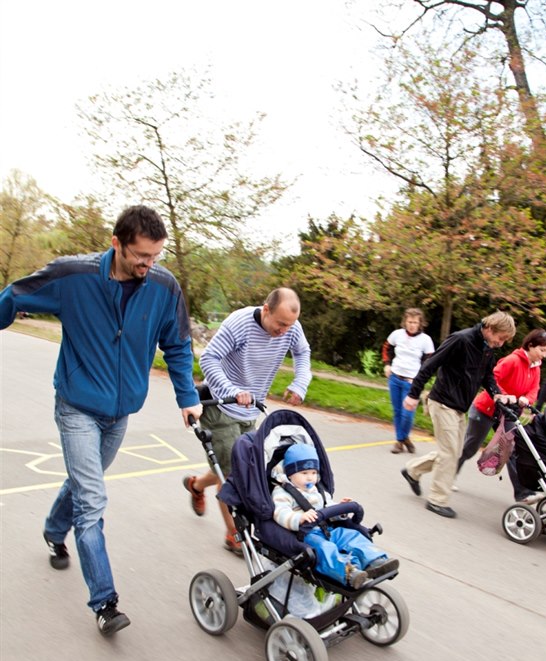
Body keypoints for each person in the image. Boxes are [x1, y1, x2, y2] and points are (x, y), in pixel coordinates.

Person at [0, 205, 203, 636]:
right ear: (116, 243)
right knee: (92, 499)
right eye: (140, 256)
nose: (149, 265)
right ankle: (105, 602)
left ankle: (54, 530)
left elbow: (178, 343)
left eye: (156, 256)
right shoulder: (73, 276)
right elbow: (15, 294)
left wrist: (187, 396)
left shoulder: (164, 286)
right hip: (76, 405)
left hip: (120, 412)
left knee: (81, 483)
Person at [183, 288, 312, 553]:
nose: (284, 331)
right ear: (266, 309)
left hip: (251, 409)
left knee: (232, 465)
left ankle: (196, 485)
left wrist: (300, 382)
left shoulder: (291, 327)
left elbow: (302, 351)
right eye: (280, 324)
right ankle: (233, 535)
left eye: (289, 326)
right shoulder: (239, 324)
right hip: (222, 406)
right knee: (231, 474)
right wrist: (231, 390)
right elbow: (209, 358)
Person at [400, 311, 516, 518]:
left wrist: (497, 394)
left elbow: (487, 375)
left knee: (453, 450)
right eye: (501, 338)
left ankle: (412, 470)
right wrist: (413, 394)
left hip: (460, 407)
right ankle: (437, 499)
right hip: (443, 402)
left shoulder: (487, 349)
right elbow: (430, 365)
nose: (501, 343)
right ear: (489, 329)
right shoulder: (460, 340)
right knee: (450, 453)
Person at [272, 443, 399, 588]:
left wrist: (340, 508)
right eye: (304, 473)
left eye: (313, 473)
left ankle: (375, 561)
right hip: (306, 534)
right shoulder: (283, 492)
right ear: (290, 473)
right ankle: (349, 572)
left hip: (328, 528)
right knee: (325, 549)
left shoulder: (317, 490)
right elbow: (280, 513)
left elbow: (327, 505)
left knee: (352, 536)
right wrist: (299, 518)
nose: (310, 478)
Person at [456, 329, 546, 502]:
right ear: (530, 345)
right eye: (542, 350)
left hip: (508, 413)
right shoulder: (512, 360)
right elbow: (492, 379)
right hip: (486, 409)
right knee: (470, 448)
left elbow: (534, 389)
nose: (544, 356)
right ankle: (449, 474)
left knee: (513, 449)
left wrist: (526, 399)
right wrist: (506, 396)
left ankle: (522, 493)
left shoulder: (536, 367)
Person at [382, 308, 435, 453]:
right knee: (397, 411)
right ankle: (400, 441)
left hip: (412, 382)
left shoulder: (425, 340)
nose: (412, 325)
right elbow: (386, 348)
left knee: (407, 414)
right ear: (405, 322)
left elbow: (430, 362)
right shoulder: (397, 335)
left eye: (415, 322)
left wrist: (420, 379)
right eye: (409, 322)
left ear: (420, 324)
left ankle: (403, 437)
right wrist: (387, 365)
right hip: (395, 377)